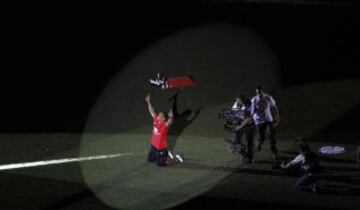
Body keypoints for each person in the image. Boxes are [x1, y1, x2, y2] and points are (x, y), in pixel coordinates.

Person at [145, 94, 183, 166]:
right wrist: (149, 102)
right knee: (150, 160)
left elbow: (170, 121)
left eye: (160, 115)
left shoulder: (164, 125)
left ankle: (176, 159)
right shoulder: (156, 120)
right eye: (159, 114)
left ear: (164, 119)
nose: (158, 116)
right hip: (153, 146)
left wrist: (171, 115)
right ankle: (166, 155)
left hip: (161, 148)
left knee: (160, 164)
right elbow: (152, 111)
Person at [251, 86, 280, 160]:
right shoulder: (254, 99)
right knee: (262, 138)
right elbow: (252, 110)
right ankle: (259, 143)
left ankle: (274, 152)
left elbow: (274, 107)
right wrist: (251, 115)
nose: (259, 94)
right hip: (258, 121)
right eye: (257, 93)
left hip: (268, 120)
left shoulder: (268, 97)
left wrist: (277, 117)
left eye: (260, 92)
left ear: (262, 92)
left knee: (272, 135)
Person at [231, 95, 255, 164]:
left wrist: (240, 126)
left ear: (243, 100)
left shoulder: (250, 105)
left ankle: (250, 158)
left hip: (250, 125)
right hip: (240, 124)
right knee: (235, 142)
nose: (237, 103)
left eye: (239, 101)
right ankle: (244, 154)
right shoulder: (236, 104)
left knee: (249, 143)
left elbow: (248, 118)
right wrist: (234, 124)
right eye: (236, 101)